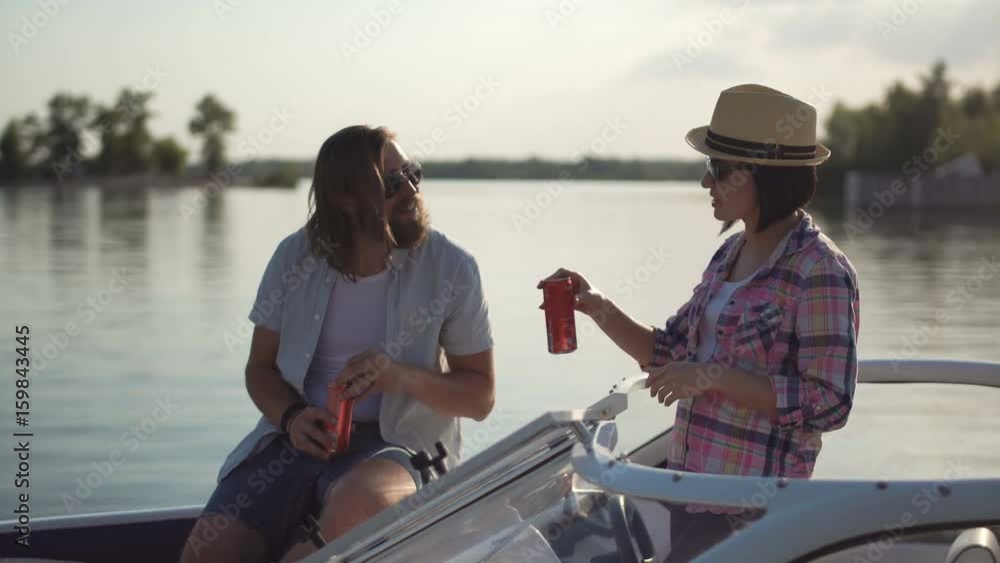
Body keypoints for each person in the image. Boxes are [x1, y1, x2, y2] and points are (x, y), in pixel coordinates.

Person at [540, 84, 860, 561]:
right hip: (693, 494)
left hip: (751, 514)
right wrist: (598, 306)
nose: (707, 183)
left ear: (760, 176)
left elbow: (830, 403)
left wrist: (713, 378)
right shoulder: (729, 253)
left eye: (718, 169)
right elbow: (670, 353)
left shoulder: (822, 271)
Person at [179, 125, 495, 563]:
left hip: (400, 446)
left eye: (412, 175)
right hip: (293, 440)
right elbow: (260, 369)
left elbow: (480, 398)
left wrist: (397, 377)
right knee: (209, 550)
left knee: (354, 509)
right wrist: (291, 417)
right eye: (391, 184)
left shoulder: (452, 267)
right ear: (345, 200)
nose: (411, 192)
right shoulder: (294, 257)